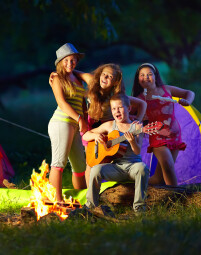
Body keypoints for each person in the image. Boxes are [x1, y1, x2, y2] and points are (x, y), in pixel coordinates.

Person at [83, 94, 149, 213]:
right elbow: (86, 135)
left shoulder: (136, 126)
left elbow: (137, 150)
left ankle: (139, 208)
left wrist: (132, 142)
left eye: (120, 108)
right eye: (113, 109)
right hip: (116, 167)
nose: (116, 111)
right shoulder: (109, 125)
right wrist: (95, 135)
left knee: (143, 168)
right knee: (95, 170)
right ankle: (90, 206)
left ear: (128, 108)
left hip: (133, 166)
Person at [131, 63, 195, 186]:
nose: (146, 77)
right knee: (168, 165)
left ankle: (134, 186)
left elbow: (190, 92)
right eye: (142, 75)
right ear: (138, 79)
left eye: (149, 74)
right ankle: (176, 197)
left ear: (155, 76)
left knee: (158, 178)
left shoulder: (166, 89)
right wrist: (138, 118)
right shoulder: (139, 99)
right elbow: (128, 116)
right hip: (157, 136)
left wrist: (187, 101)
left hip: (175, 135)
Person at [48, 43, 89, 202]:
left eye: (73, 60)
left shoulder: (79, 79)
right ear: (59, 63)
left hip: (76, 125)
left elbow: (82, 104)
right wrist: (79, 120)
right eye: (66, 61)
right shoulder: (57, 78)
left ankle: (83, 199)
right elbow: (62, 103)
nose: (70, 63)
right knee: (58, 162)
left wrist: (84, 120)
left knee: (80, 167)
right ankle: (56, 202)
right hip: (61, 122)